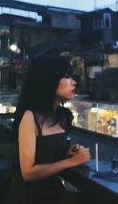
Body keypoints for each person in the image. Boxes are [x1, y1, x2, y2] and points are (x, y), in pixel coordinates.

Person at [8, 57, 91, 204]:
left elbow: (47, 152)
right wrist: (72, 161)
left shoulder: (62, 116)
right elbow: (27, 173)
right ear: (48, 81)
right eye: (66, 76)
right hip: (32, 196)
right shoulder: (30, 117)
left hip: (55, 192)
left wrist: (67, 152)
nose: (74, 82)